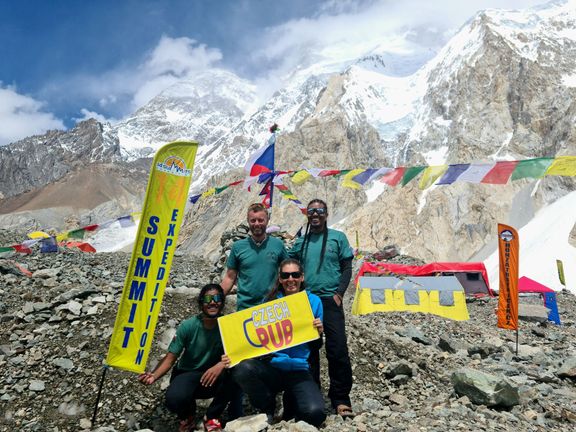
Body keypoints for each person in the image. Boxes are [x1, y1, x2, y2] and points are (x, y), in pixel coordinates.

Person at [229, 259, 326, 427]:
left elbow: (316, 346)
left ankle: (291, 403)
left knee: (315, 413)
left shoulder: (315, 302)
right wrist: (233, 352)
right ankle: (267, 406)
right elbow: (257, 341)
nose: (290, 279)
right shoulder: (270, 302)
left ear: (302, 277)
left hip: (300, 368)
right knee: (242, 369)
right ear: (280, 279)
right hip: (273, 367)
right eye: (285, 275)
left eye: (295, 274)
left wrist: (319, 333)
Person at [138, 284, 240, 432]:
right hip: (187, 373)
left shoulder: (228, 325)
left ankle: (212, 417)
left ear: (222, 302)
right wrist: (154, 376)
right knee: (174, 399)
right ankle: (188, 416)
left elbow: (236, 353)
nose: (212, 302)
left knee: (237, 375)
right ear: (201, 303)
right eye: (207, 299)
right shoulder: (188, 326)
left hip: (214, 376)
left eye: (217, 298)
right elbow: (170, 358)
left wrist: (220, 366)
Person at [288, 198, 355, 418]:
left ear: (326, 214)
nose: (315, 214)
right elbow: (290, 268)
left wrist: (339, 294)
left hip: (330, 300)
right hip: (305, 302)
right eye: (311, 211)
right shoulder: (300, 242)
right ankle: (311, 395)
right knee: (309, 351)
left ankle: (341, 398)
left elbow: (347, 268)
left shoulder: (338, 238)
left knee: (337, 350)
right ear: (307, 214)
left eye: (320, 210)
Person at [221, 203, 288, 311]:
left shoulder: (278, 245)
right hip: (245, 308)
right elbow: (229, 277)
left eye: (261, 220)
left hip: (273, 308)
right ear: (248, 221)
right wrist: (217, 298)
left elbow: (288, 272)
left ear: (267, 220)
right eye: (253, 220)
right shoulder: (238, 247)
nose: (257, 224)